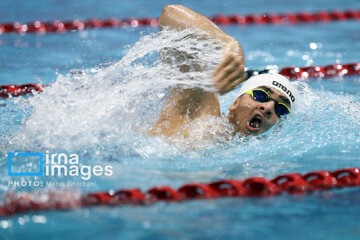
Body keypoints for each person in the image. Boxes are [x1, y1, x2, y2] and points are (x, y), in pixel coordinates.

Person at [149, 5, 297, 138]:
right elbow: (169, 14)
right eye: (260, 95)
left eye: (281, 109)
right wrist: (226, 42)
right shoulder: (202, 115)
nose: (269, 108)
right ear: (235, 102)